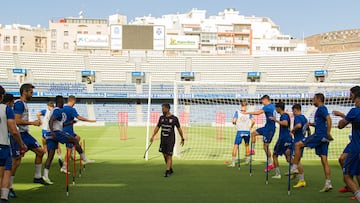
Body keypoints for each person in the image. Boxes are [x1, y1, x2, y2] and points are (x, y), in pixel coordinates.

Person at [43, 95, 94, 184]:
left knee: (50, 156)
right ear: (60, 102)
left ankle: (45, 176)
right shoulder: (57, 111)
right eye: (63, 101)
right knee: (75, 140)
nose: (64, 103)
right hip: (56, 132)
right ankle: (84, 158)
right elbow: (51, 121)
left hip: (48, 134)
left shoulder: (55, 111)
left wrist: (70, 123)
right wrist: (53, 132)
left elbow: (59, 124)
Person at [10, 83, 49, 197]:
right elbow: (16, 120)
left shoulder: (23, 104)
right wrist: (32, 122)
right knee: (16, 161)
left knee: (40, 152)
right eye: (31, 92)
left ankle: (37, 177)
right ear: (25, 92)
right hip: (19, 135)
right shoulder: (19, 104)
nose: (32, 94)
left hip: (25, 134)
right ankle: (9, 187)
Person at [291, 93, 333, 192]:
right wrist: (311, 124)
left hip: (319, 135)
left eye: (314, 99)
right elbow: (322, 123)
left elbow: (329, 119)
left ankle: (294, 167)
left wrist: (328, 132)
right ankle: (328, 183)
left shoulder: (321, 108)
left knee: (297, 145)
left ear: (318, 99)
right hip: (323, 137)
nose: (312, 100)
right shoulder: (320, 110)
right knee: (324, 160)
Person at [0, 88, 26, 203]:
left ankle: (4, 197)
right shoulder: (6, 109)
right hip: (2, 145)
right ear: (1, 96)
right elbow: (14, 131)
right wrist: (21, 144)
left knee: (6, 170)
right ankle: (4, 198)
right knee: (5, 172)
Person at [333, 85, 360, 194]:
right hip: (355, 144)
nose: (349, 96)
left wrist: (341, 117)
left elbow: (340, 125)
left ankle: (355, 192)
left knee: (347, 176)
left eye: (350, 94)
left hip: (356, 146)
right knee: (342, 159)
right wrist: (343, 115)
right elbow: (352, 120)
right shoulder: (354, 113)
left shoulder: (354, 111)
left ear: (354, 95)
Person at [61, 95, 96, 173]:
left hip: (65, 130)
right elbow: (79, 117)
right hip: (68, 132)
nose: (75, 104)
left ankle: (83, 158)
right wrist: (89, 121)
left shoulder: (62, 108)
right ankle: (64, 167)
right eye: (75, 102)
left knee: (77, 138)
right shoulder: (71, 109)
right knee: (69, 150)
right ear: (73, 101)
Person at [150, 103, 185, 177]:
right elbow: (157, 127)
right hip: (163, 140)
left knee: (169, 155)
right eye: (162, 109)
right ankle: (170, 168)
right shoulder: (161, 118)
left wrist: (182, 138)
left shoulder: (174, 119)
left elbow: (179, 129)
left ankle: (167, 171)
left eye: (163, 109)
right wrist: (153, 136)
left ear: (167, 109)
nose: (162, 110)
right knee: (164, 154)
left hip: (170, 140)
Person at [244, 95, 276, 172]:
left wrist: (247, 113)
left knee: (265, 147)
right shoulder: (273, 106)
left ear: (265, 100)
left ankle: (270, 164)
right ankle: (252, 150)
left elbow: (258, 113)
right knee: (253, 133)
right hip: (266, 127)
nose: (262, 102)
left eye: (262, 101)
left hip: (270, 129)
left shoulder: (267, 107)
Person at [269, 101, 292, 179]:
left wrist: (275, 120)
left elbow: (285, 123)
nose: (276, 110)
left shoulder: (283, 116)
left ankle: (278, 174)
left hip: (283, 138)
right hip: (288, 138)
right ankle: (294, 169)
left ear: (279, 108)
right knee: (288, 156)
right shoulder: (287, 115)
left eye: (276, 108)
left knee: (275, 155)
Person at [37, 101, 63, 167]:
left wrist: (39, 120)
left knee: (45, 145)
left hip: (45, 130)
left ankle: (47, 158)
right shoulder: (55, 111)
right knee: (57, 145)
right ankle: (59, 157)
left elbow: (38, 114)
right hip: (53, 130)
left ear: (48, 106)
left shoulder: (45, 111)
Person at [228, 101, 254, 167]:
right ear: (246, 106)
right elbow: (253, 121)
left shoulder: (237, 112)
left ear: (241, 105)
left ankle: (233, 163)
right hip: (247, 131)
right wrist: (250, 127)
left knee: (236, 146)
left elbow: (234, 121)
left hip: (240, 131)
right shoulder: (249, 113)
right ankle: (247, 160)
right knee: (247, 145)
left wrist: (235, 124)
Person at [291, 103, 311, 188]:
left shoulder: (298, 118)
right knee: (294, 157)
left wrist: (292, 130)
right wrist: (308, 139)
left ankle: (301, 180)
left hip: (297, 141)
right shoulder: (304, 118)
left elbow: (298, 125)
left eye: (293, 111)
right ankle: (297, 176)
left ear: (296, 110)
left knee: (296, 160)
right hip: (303, 139)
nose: (293, 113)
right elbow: (309, 130)